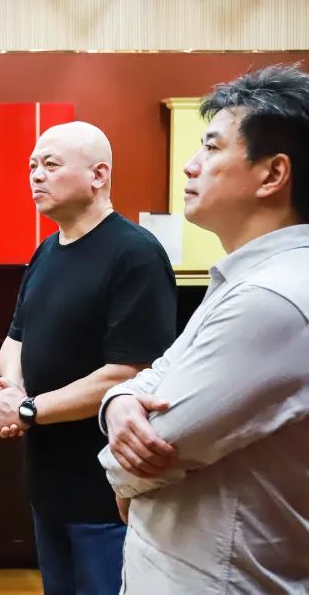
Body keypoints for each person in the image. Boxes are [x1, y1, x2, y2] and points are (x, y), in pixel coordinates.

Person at [99, 65, 309, 593]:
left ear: (272, 174)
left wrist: (119, 472)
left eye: (212, 148)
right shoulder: (248, 277)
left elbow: (160, 445)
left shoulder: (273, 297)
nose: (191, 166)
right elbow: (158, 374)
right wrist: (119, 402)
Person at [0, 121, 176, 595]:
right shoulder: (47, 251)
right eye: (32, 166)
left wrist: (27, 410)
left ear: (98, 175)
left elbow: (129, 372)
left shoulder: (135, 254)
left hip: (103, 493)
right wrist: (13, 392)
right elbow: (15, 340)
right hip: (48, 487)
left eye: (50, 164)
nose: (36, 176)